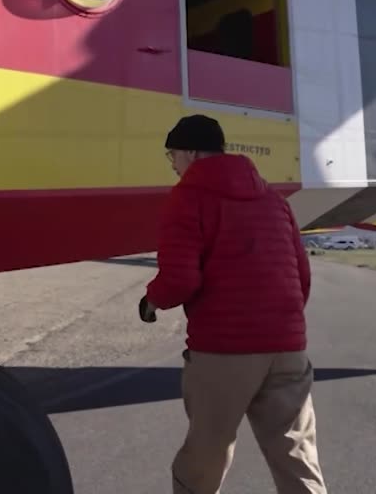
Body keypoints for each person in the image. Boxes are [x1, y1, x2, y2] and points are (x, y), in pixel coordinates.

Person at [139, 114, 327, 494]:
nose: (173, 165)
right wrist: (279, 324)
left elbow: (180, 280)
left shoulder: (188, 196)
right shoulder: (274, 200)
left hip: (224, 351)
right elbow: (301, 276)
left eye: (172, 155)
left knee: (205, 457)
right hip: (287, 348)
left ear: (191, 153)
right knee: (296, 457)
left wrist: (151, 302)